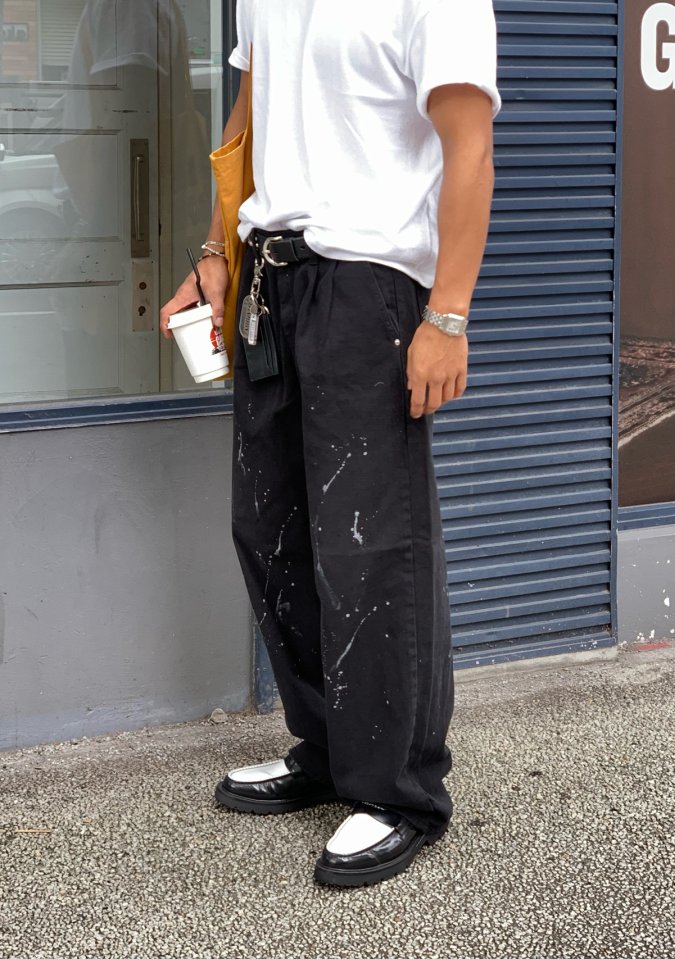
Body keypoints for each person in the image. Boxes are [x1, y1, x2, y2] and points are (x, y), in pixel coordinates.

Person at [160, 0, 500, 888]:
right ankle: (330, 748)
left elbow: (469, 146)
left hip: (369, 283)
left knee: (372, 545)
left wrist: (448, 315)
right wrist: (216, 249)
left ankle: (400, 789)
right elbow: (251, 109)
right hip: (271, 275)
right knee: (270, 529)